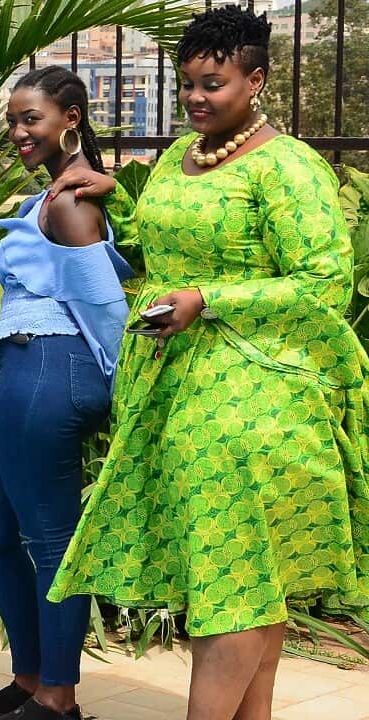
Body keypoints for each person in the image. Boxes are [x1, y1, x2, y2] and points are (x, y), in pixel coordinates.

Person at [46, 8, 369, 720]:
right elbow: (170, 249)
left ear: (255, 79)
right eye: (187, 82)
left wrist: (208, 298)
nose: (195, 97)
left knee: (233, 577)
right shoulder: (178, 156)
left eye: (213, 84)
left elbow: (324, 282)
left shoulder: (289, 168)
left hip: (259, 393)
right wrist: (120, 205)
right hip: (179, 386)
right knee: (249, 576)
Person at [0, 67, 132, 720]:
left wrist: (119, 390)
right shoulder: (61, 192)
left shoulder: (66, 201)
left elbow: (106, 306)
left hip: (50, 374)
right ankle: (33, 678)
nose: (18, 131)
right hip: (29, 375)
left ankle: (59, 697)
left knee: (51, 541)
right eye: (13, 120)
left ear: (71, 117)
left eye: (31, 117)